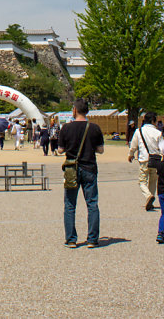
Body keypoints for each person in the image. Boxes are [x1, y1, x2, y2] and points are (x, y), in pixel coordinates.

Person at [58, 99, 105, 248]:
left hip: (72, 168)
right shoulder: (94, 128)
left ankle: (71, 239)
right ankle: (92, 239)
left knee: (70, 204)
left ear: (74, 110)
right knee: (92, 203)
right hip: (89, 167)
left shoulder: (66, 128)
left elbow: (60, 150)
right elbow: (100, 150)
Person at [128, 111, 163, 211]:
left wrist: (130, 155)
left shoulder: (139, 131)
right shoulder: (158, 133)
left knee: (142, 181)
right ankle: (150, 198)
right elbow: (162, 148)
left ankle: (148, 196)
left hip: (144, 159)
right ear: (153, 121)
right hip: (156, 159)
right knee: (153, 181)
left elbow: (133, 145)